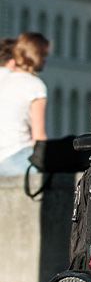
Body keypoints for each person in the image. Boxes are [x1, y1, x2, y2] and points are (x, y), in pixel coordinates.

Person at [0, 32, 49, 176]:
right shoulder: (35, 85)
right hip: (17, 158)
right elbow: (39, 136)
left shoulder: (4, 79)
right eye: (45, 56)